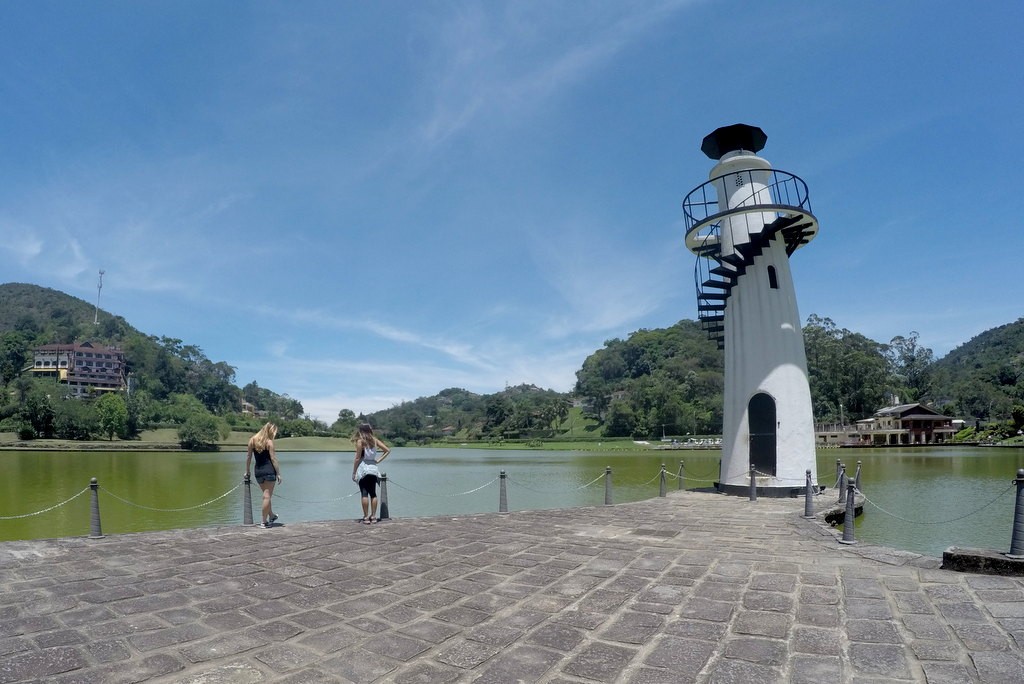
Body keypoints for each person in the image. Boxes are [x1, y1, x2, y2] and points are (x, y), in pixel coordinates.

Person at [245, 422, 282, 529]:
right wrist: (278, 473)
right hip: (269, 471)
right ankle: (263, 522)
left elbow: (248, 457)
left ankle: (271, 515)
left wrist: (247, 471)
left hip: (258, 471)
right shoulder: (269, 442)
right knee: (267, 496)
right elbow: (273, 459)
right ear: (270, 431)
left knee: (266, 496)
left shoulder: (252, 440)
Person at [352, 423, 390, 523]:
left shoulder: (360, 442)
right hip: (373, 469)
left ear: (361, 431)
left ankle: (366, 517)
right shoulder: (375, 440)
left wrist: (354, 472)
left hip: (363, 468)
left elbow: (357, 458)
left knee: (364, 493)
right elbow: (387, 450)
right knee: (373, 493)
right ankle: (373, 516)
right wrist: (378, 460)